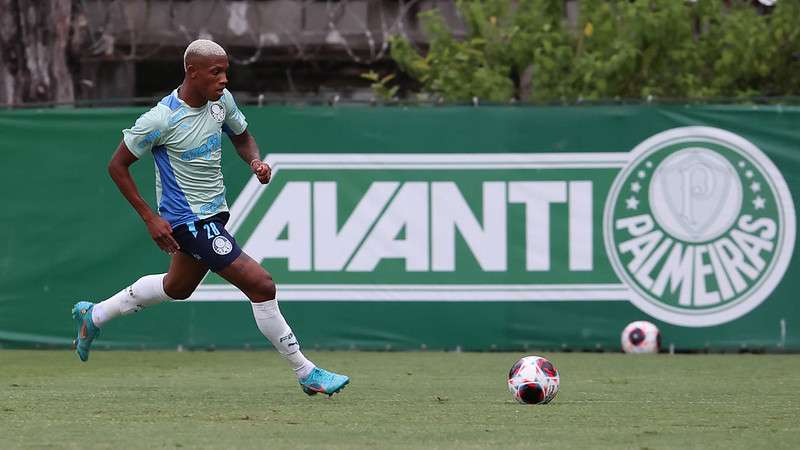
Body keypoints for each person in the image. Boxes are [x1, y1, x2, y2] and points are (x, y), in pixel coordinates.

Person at [71, 39, 349, 397]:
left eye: (226, 72)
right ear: (192, 71)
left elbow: (243, 136)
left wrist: (255, 162)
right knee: (261, 284)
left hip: (215, 216)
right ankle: (305, 371)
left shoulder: (221, 104)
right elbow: (117, 165)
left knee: (177, 288)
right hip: (189, 222)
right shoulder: (161, 118)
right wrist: (149, 218)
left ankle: (94, 316)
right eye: (216, 72)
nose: (223, 80)